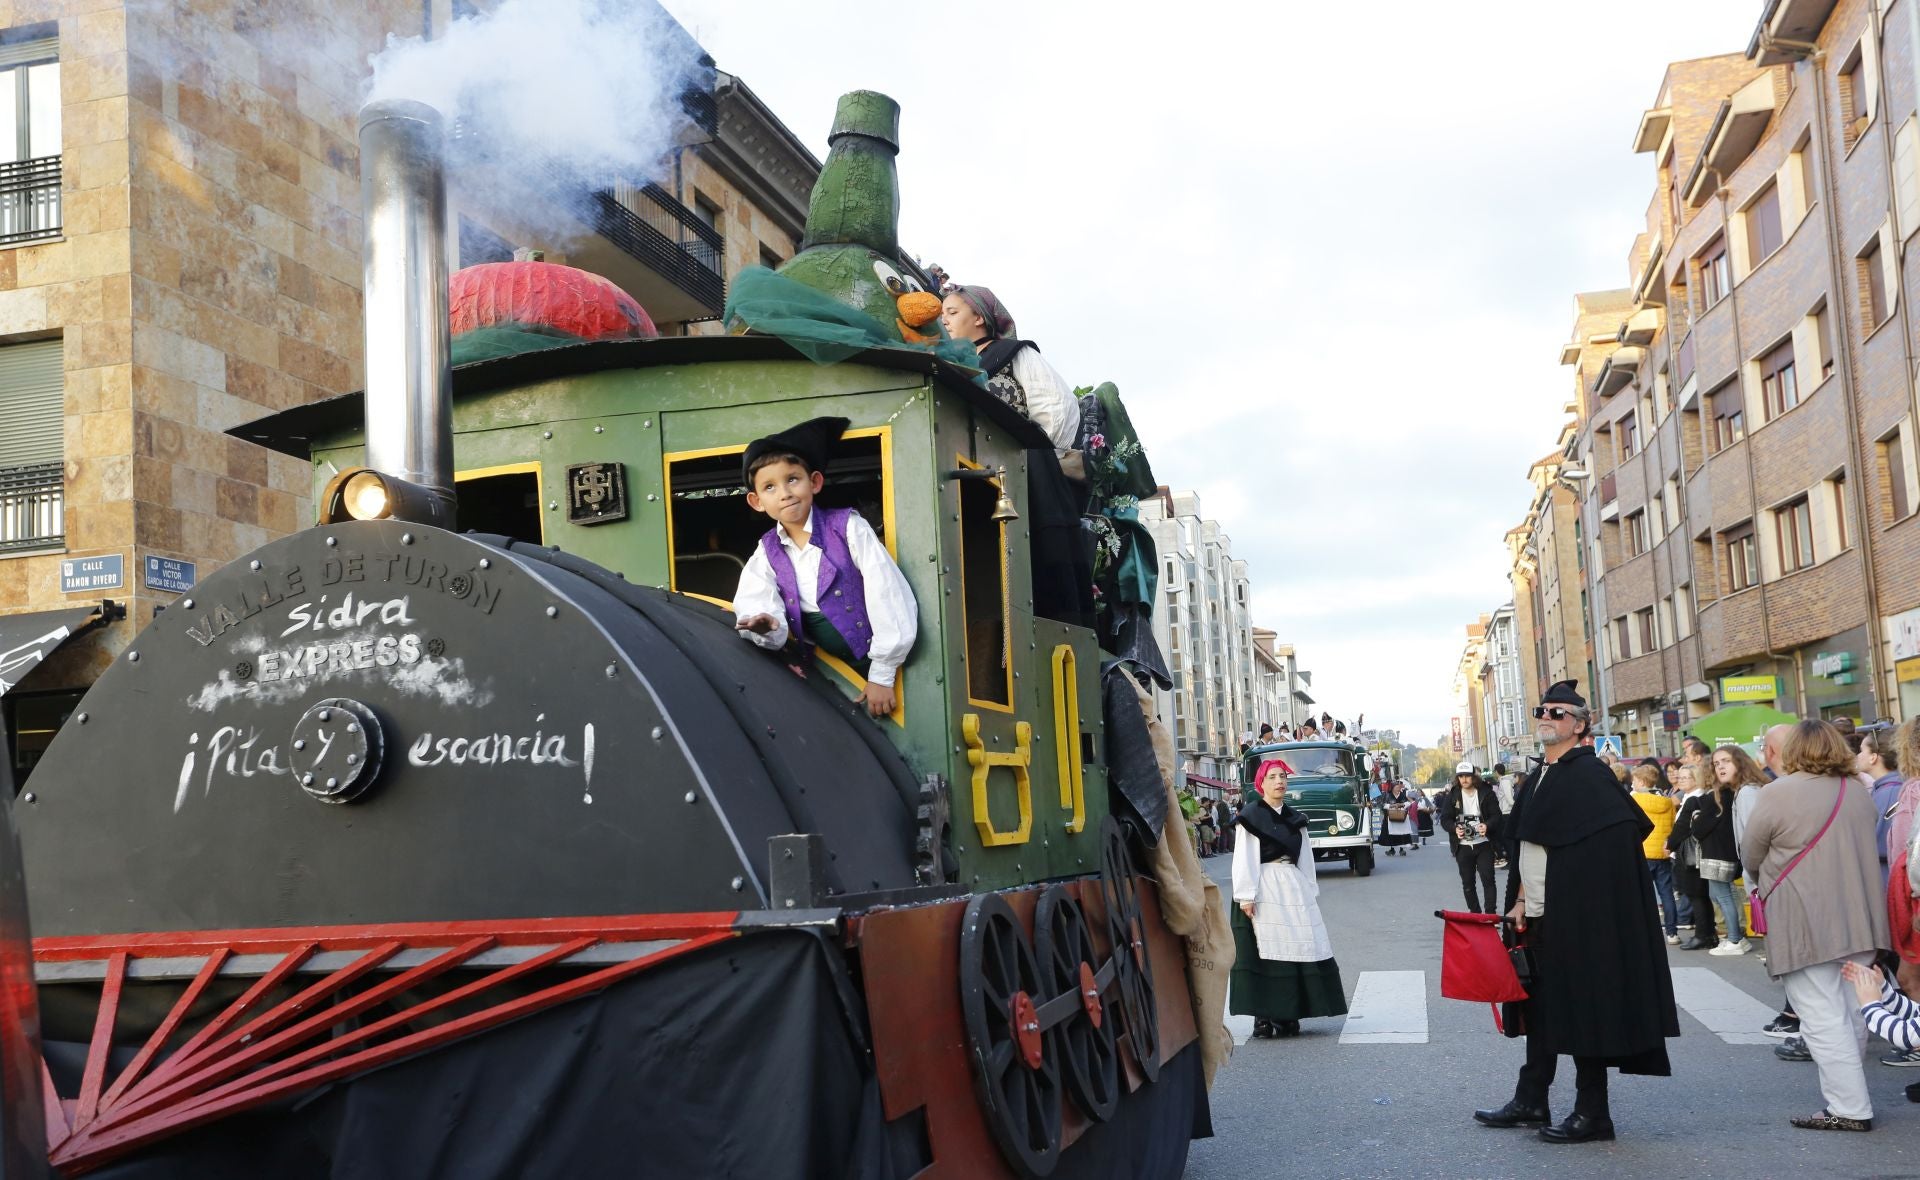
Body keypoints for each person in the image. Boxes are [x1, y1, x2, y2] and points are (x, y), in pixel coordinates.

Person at [1475, 680, 1677, 1144]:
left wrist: (1573, 899)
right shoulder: (1540, 776)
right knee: (1539, 1009)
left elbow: (1613, 844)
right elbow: (1531, 842)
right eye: (1540, 710)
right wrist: (1523, 899)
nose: (1546, 716)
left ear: (1581, 725)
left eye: (1558, 712)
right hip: (1541, 913)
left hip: (1581, 916)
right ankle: (1531, 1098)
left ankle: (1593, 1113)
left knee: (1586, 1008)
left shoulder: (1588, 775)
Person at [1742, 720, 1890, 1132]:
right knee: (1854, 1009)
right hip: (1859, 913)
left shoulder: (1777, 793)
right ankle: (1851, 1096)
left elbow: (1751, 853)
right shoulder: (1859, 790)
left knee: (1822, 1015)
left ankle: (1849, 1106)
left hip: (1804, 915)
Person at [733, 416, 917, 718]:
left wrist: (882, 674)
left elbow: (886, 591)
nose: (784, 493)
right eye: (769, 487)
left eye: (792, 479)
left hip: (889, 667)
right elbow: (756, 599)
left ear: (814, 482)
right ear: (756, 501)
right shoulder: (766, 552)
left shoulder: (848, 527)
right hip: (825, 670)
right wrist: (766, 625)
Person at [1230, 758, 1348, 1038]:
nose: (1279, 781)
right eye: (1272, 777)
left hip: (1291, 885)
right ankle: (1263, 1016)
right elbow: (1243, 858)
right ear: (1261, 784)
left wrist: (1308, 888)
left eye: (1282, 776)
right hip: (1262, 885)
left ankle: (1289, 1013)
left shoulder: (1296, 819)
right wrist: (1246, 895)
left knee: (1297, 948)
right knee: (1264, 953)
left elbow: (1305, 858)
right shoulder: (1251, 816)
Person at [937, 285, 1080, 455]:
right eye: (941, 316)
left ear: (978, 318)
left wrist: (1041, 457)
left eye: (952, 313)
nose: (944, 321)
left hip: (1019, 466)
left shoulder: (1013, 353)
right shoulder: (946, 365)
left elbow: (1057, 405)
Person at [1693, 756, 1753, 956]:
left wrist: (1695, 818)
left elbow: (1699, 829)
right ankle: (1737, 936)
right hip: (1727, 852)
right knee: (1721, 895)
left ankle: (1735, 939)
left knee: (1723, 897)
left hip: (1715, 855)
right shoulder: (1730, 794)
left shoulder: (1714, 798)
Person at [1439, 761, 1503, 914]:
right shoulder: (1453, 795)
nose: (1464, 779)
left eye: (1467, 775)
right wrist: (1455, 829)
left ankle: (1490, 914)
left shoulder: (1487, 793)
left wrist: (1486, 825)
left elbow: (1497, 816)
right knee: (1468, 883)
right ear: (1457, 778)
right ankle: (1475, 914)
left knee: (1488, 879)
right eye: (1461, 776)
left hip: (1484, 843)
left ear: (1474, 776)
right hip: (1462, 845)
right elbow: (1445, 819)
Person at [1669, 765, 1720, 951]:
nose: (1679, 780)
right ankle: (1708, 933)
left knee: (1696, 896)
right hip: (1697, 854)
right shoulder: (1701, 797)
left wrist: (1669, 844)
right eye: (1679, 777)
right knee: (1701, 896)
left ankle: (1702, 935)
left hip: (1690, 855)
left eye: (1684, 777)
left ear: (1696, 779)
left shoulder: (1694, 800)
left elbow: (1681, 827)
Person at [1630, 764, 1680, 945]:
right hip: (1662, 853)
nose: (1632, 783)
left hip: (1643, 852)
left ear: (1642, 781)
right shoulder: (1667, 801)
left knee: (1640, 894)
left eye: (1634, 780)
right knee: (1666, 893)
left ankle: (1642, 931)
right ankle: (1672, 932)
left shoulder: (1634, 800)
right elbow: (1672, 824)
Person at [1860, 728, 1902, 886]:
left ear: (1873, 757)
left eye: (1861, 750)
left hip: (1887, 878)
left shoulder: (1889, 793)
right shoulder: (1890, 788)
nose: (1858, 756)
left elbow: (1880, 843)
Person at [1377, 778, 1417, 857]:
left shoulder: (1403, 795)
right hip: (1390, 817)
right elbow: (1382, 805)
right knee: (1391, 833)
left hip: (1401, 817)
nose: (1398, 788)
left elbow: (1409, 803)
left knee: (1401, 833)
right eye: (1396, 787)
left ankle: (1401, 849)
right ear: (1392, 788)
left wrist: (1401, 805)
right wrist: (1392, 805)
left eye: (1399, 787)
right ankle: (1392, 849)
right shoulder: (1387, 795)